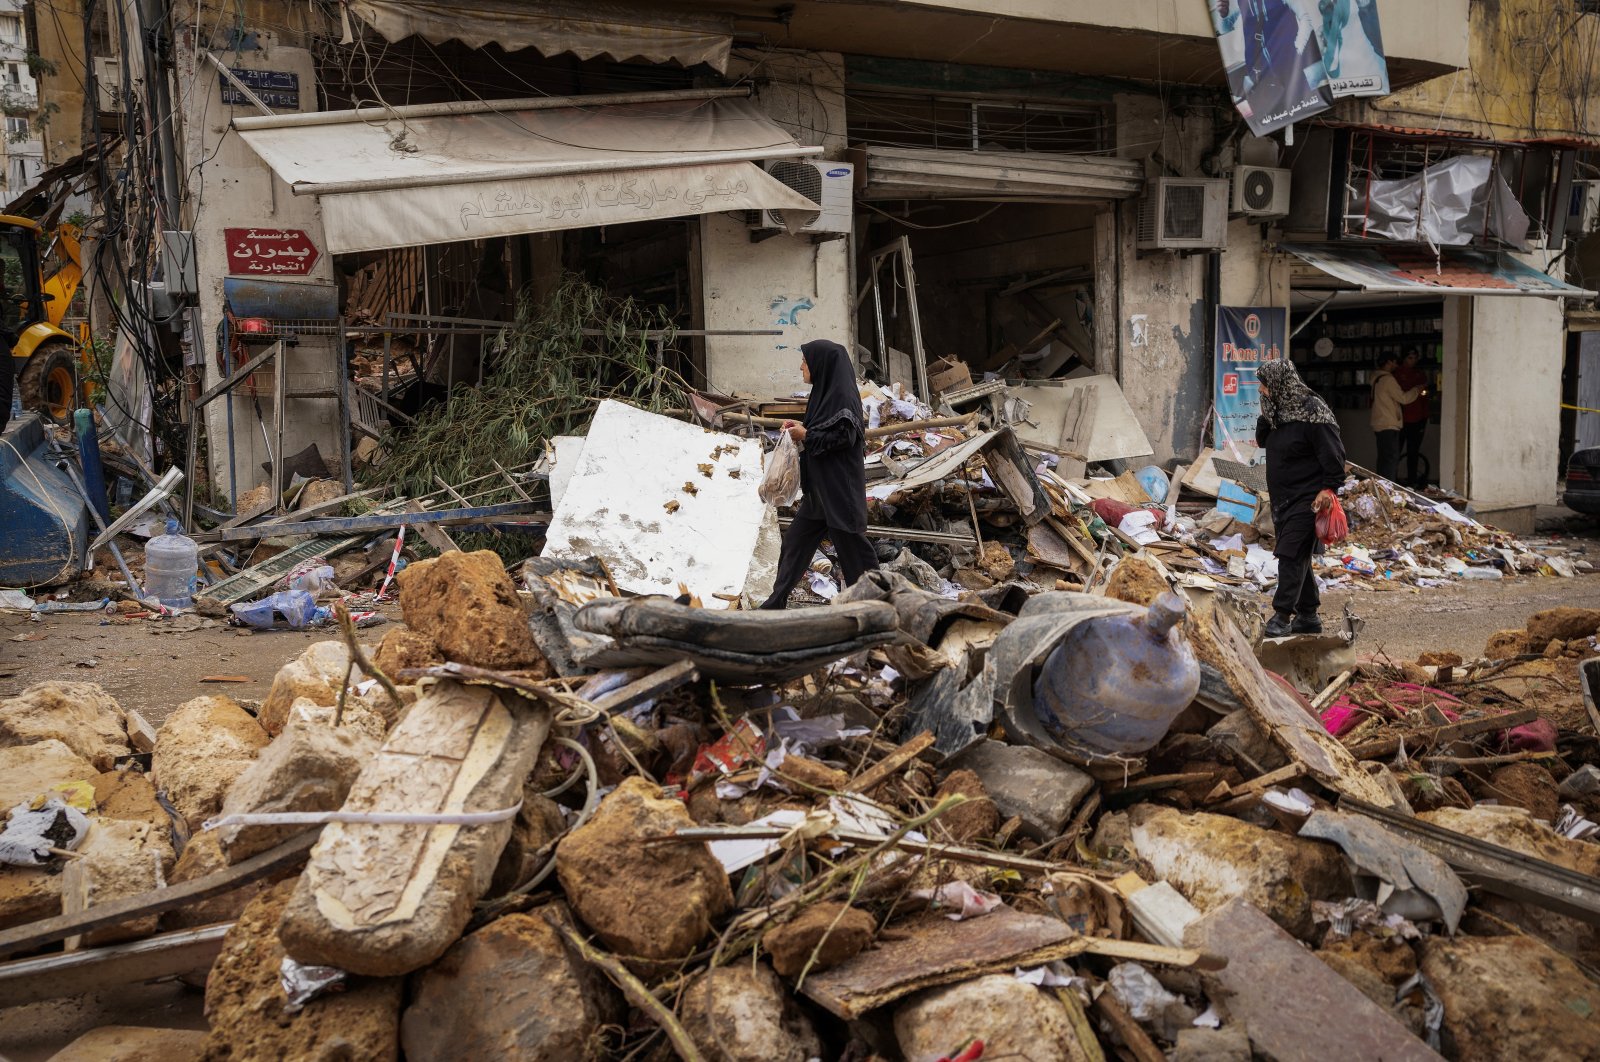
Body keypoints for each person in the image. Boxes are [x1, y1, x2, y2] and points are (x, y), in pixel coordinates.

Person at [759, 340, 879, 610]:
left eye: (805, 360)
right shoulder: (824, 394)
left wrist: (807, 435)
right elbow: (824, 429)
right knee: (795, 544)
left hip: (839, 491)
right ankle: (774, 604)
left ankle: (877, 605)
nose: (802, 365)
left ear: (821, 365)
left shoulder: (843, 396)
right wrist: (801, 429)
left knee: (855, 555)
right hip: (820, 492)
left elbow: (845, 435)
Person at [1256, 359, 1347, 638]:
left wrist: (1329, 488)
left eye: (1264, 383)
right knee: (1297, 554)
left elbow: (1334, 455)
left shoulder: (1313, 411)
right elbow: (1261, 440)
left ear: (1281, 382)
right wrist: (1266, 412)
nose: (1261, 388)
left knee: (1290, 553)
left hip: (1310, 498)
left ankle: (1282, 615)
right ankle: (1308, 615)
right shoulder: (1277, 412)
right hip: (1283, 498)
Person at [1370, 352, 1422, 484]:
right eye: (1394, 362)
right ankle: (1388, 487)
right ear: (1388, 362)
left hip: (1379, 422)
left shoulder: (1376, 378)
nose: (1396, 365)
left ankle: (1380, 486)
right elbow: (1403, 398)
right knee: (1391, 459)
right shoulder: (1388, 379)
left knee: (1383, 458)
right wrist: (1417, 390)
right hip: (1388, 423)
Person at [1393, 346, 1431, 488]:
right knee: (1395, 451)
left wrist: (1425, 416)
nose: (1413, 361)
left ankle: (1412, 480)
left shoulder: (1419, 374)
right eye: (1410, 358)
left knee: (1413, 451)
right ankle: (1392, 480)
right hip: (1400, 419)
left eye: (1415, 358)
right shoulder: (1395, 375)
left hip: (1418, 419)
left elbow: (1425, 399)